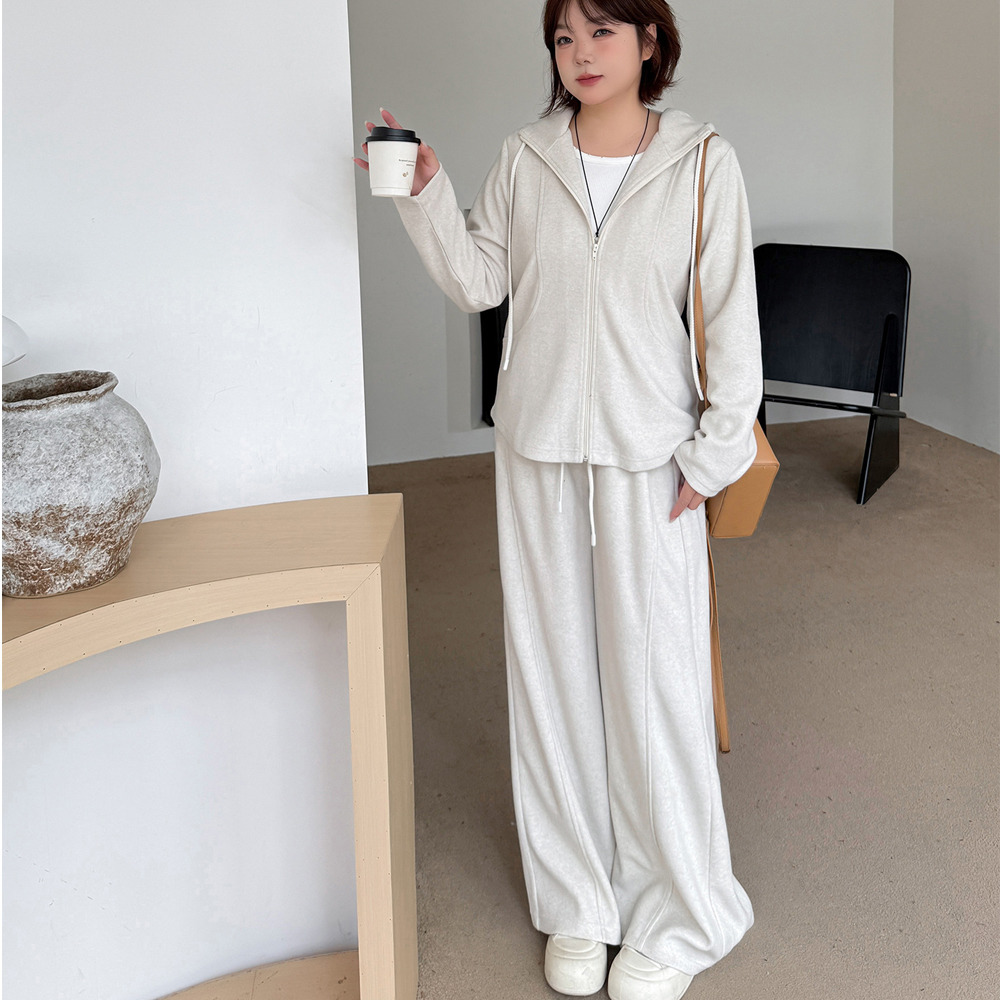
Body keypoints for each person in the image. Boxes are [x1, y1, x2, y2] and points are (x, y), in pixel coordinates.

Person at [356, 2, 760, 997]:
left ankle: (679, 912)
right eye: (564, 37)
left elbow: (728, 313)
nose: (579, 53)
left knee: (656, 685)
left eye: (602, 32)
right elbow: (478, 281)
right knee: (551, 679)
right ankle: (578, 900)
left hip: (650, 457)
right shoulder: (524, 157)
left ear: (650, 42)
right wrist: (426, 190)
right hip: (536, 451)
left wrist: (712, 457)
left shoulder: (704, 163)